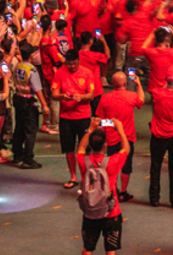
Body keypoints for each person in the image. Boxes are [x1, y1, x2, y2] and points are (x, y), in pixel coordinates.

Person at [76, 118, 130, 255]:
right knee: (110, 250)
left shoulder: (83, 161)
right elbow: (126, 149)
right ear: (105, 145)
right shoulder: (112, 162)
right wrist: (120, 129)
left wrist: (91, 129)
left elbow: (81, 148)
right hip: (111, 212)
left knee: (88, 248)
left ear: (91, 144)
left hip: (90, 212)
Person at [95, 70, 145, 203]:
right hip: (127, 139)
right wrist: (139, 84)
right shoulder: (132, 96)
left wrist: (112, 124)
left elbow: (99, 120)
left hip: (111, 139)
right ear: (125, 82)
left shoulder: (105, 98)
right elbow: (141, 101)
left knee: (112, 166)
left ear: (112, 83)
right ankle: (123, 192)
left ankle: (113, 190)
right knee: (126, 166)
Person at [53, 49, 97, 189]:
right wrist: (62, 96)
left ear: (79, 61)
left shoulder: (87, 73)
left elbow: (91, 95)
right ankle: (73, 176)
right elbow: (54, 93)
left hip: (83, 116)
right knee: (69, 148)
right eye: (69, 64)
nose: (72, 66)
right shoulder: (60, 72)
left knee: (86, 148)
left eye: (74, 64)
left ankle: (87, 176)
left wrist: (81, 97)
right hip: (66, 116)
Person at [148, 64, 173, 208]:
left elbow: (158, 91)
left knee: (155, 166)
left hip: (158, 135)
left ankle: (154, 198)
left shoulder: (156, 93)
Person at [11, 41, 51, 169]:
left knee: (19, 129)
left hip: (18, 100)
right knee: (30, 131)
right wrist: (44, 105)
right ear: (32, 55)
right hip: (28, 103)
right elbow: (38, 89)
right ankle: (28, 159)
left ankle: (17, 155)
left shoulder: (17, 66)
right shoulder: (32, 70)